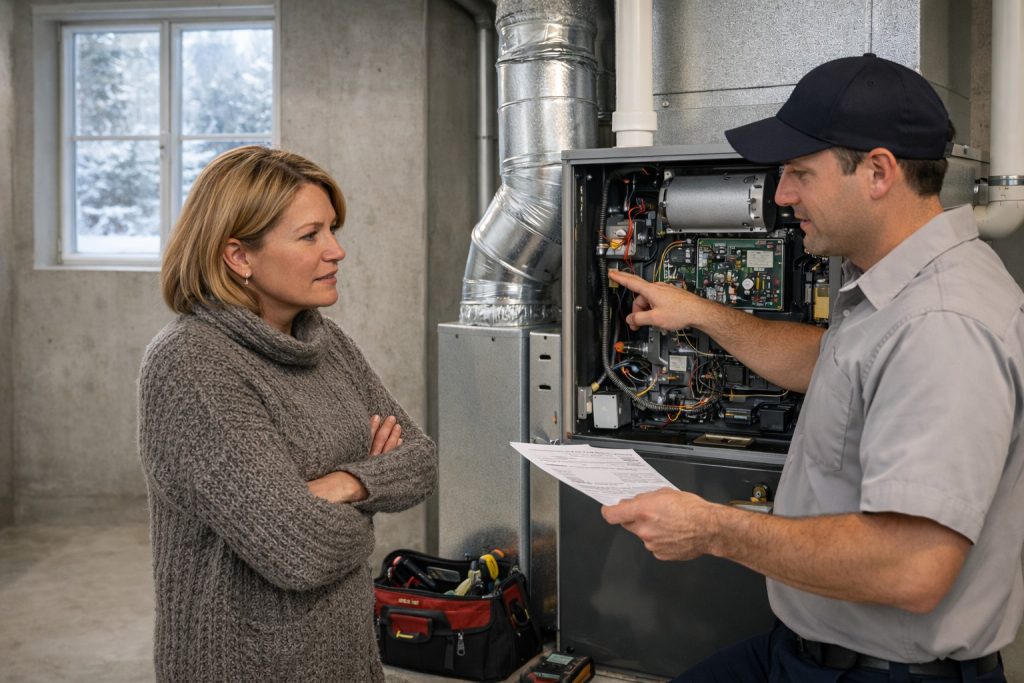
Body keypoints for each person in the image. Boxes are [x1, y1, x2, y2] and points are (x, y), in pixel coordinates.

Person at [602, 54, 1024, 682]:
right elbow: (833, 365)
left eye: (800, 172)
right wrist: (699, 311)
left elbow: (912, 567)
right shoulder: (895, 287)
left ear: (878, 172)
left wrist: (711, 529)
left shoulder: (942, 323)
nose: (781, 195)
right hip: (805, 652)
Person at [138, 146, 438, 681]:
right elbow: (300, 550)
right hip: (245, 664)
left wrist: (345, 484)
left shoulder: (323, 340)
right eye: (311, 235)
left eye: (333, 229)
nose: (337, 251)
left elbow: (419, 461)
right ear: (239, 256)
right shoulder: (191, 363)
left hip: (346, 653)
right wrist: (370, 491)